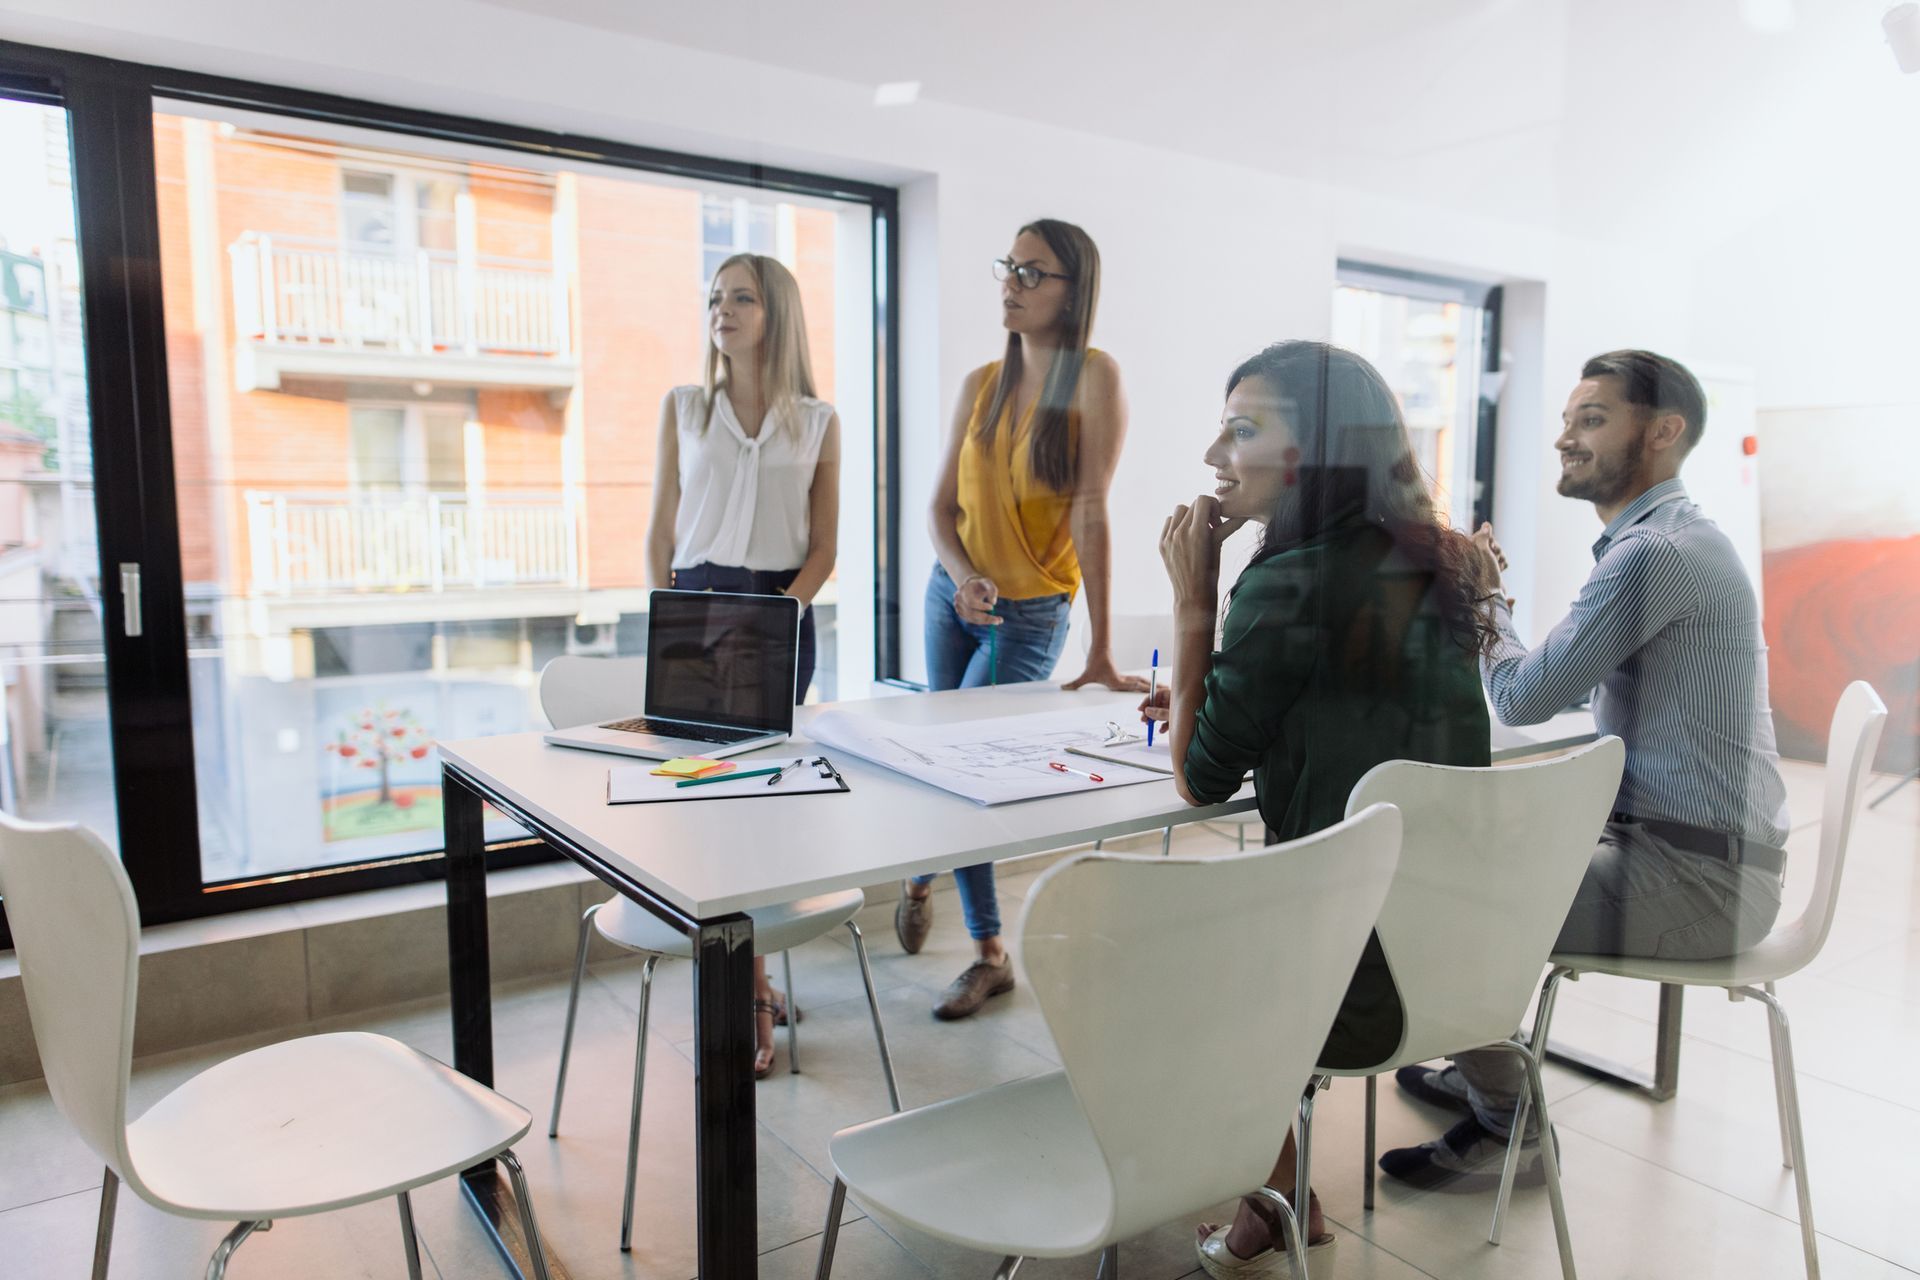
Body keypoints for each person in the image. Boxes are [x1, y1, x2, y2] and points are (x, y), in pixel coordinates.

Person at [1379, 349, 1791, 1190]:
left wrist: (1483, 597)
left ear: (1664, 433)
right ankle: (1486, 1060)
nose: (1566, 438)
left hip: (1703, 882)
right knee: (1466, 851)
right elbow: (1560, 692)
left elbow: (1526, 699)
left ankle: (1511, 1128)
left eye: (1592, 420)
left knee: (1433, 894)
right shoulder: (1667, 542)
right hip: (1703, 855)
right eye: (1568, 420)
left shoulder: (1654, 557)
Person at [1141, 341, 1498, 1275]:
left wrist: (1193, 602)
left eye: (1245, 427)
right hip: (1463, 960)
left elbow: (1200, 781)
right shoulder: (1437, 559)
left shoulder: (1285, 580)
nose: (1216, 453)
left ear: (1325, 452)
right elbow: (1348, 701)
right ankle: (1277, 1189)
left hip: (1353, 974)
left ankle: (1280, 1200)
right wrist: (1208, 689)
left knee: (1148, 950)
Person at [894, 218, 1147, 1020]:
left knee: (967, 773)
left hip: (1032, 615)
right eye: (1009, 267)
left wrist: (1102, 646)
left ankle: (987, 953)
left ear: (1075, 292)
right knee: (943, 759)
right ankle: (929, 876)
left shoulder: (1096, 379)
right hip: (953, 596)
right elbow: (938, 508)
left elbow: (1094, 515)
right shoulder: (979, 383)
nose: (1012, 283)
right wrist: (964, 578)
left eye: (1034, 273)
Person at [645, 251, 840, 1078]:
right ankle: (751, 980)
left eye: (742, 298)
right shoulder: (684, 406)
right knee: (707, 808)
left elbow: (825, 548)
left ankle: (752, 969)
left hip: (780, 611)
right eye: (715, 298)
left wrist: (773, 619)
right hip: (694, 610)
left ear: (777, 313)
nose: (722, 311)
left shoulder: (818, 420)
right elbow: (660, 528)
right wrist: (678, 621)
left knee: (759, 809)